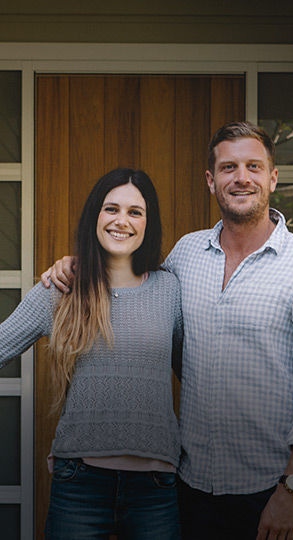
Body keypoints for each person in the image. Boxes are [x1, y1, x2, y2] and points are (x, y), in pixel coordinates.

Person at [42, 122, 293, 540]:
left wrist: (291, 488)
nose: (241, 178)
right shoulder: (186, 254)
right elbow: (134, 292)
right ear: (210, 180)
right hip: (194, 492)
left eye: (254, 166)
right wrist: (77, 264)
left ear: (272, 177)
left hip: (275, 492)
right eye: (228, 167)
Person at [1, 168, 183, 540]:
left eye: (135, 212)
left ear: (149, 223)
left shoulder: (170, 290)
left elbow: (200, 376)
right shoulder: (62, 288)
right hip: (79, 485)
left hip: (155, 488)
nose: (122, 221)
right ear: (94, 218)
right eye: (111, 209)